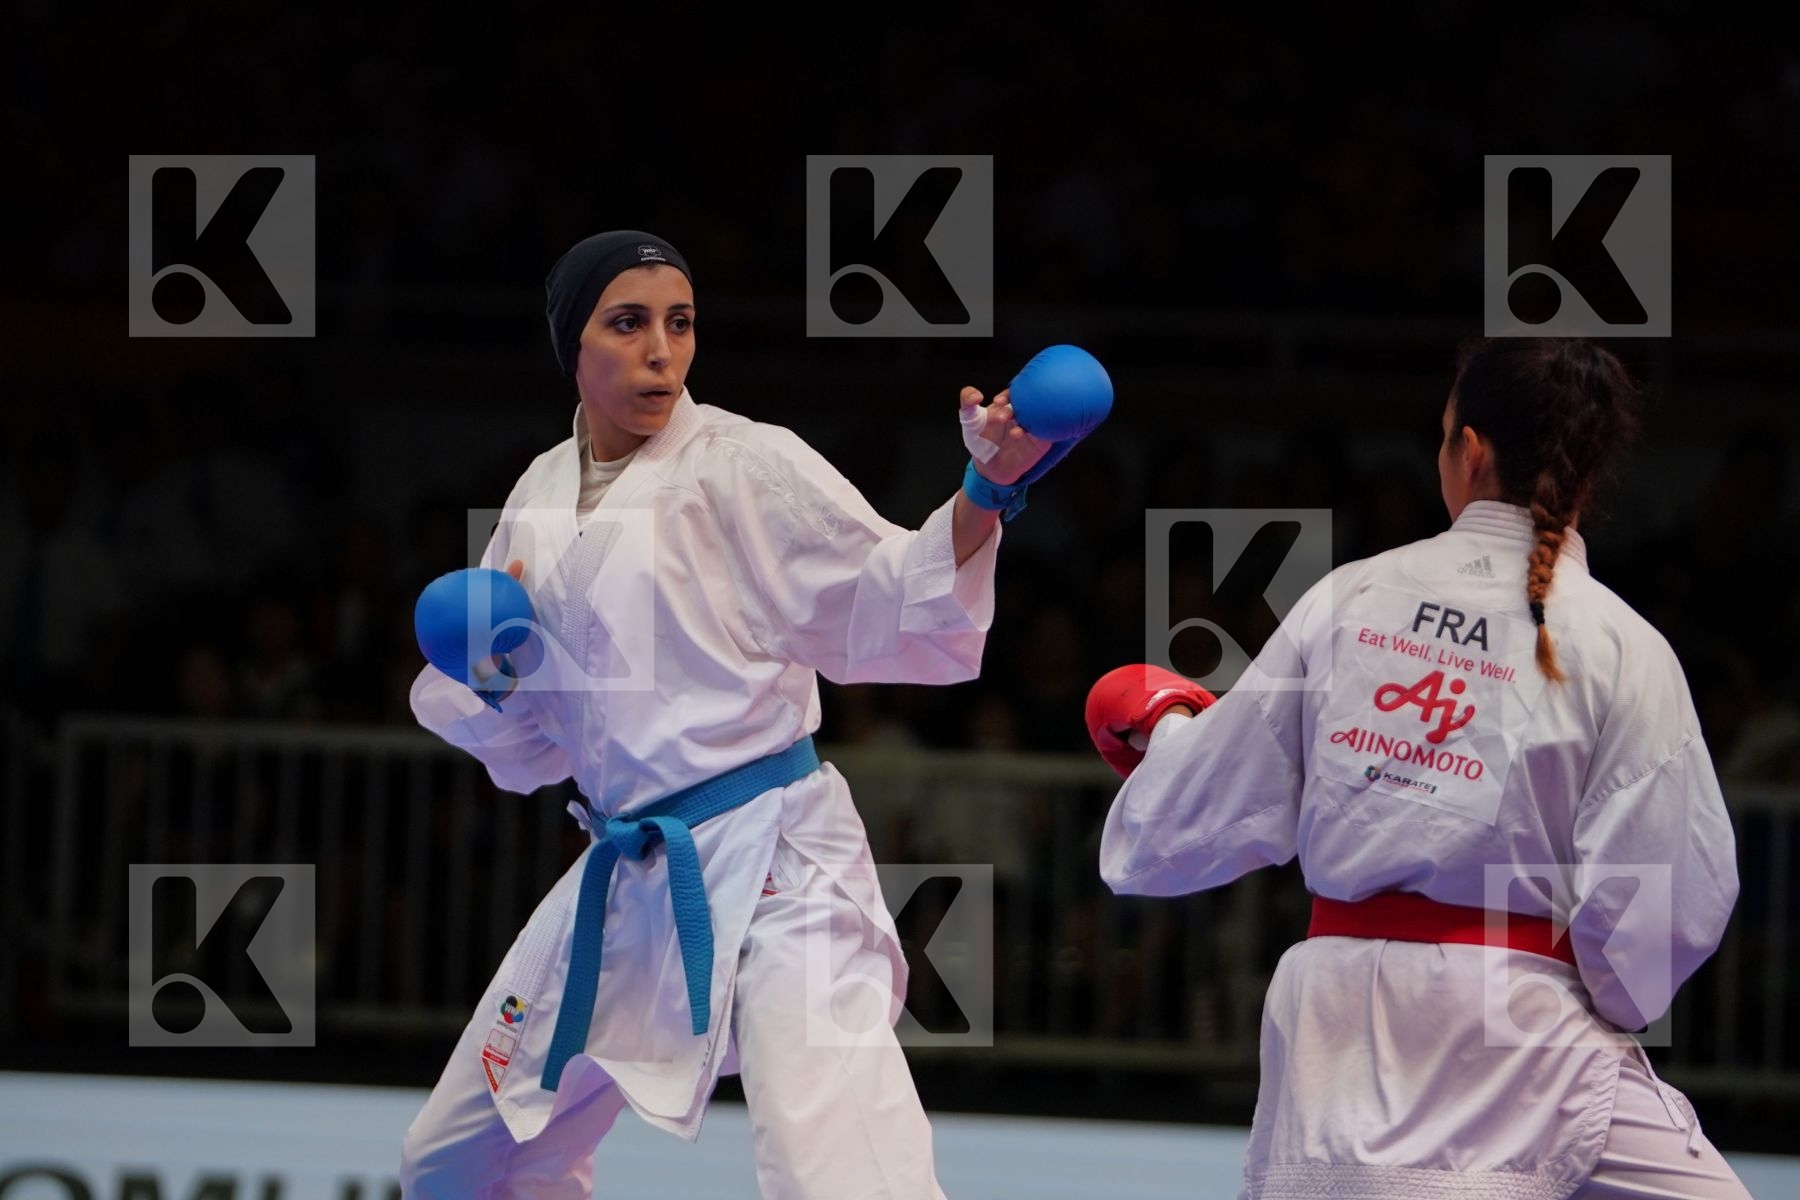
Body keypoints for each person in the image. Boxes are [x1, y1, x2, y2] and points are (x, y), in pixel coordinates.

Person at [400, 230, 1063, 1198]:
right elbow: (535, 749)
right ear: (571, 349)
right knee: (456, 1166)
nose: (661, 350)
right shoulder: (538, 496)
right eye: (627, 324)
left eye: (679, 323)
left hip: (782, 870)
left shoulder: (742, 462)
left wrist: (985, 490)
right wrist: (494, 678)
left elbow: (882, 596)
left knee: (835, 1174)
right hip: (629, 871)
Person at [1085, 337, 1747, 1199]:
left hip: (1341, 1022)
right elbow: (1676, 891)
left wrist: (1166, 723)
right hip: (1525, 1034)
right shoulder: (1623, 644)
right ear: (1588, 474)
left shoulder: (1352, 597)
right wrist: (1610, 998)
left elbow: (1200, 807)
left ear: (1469, 450)